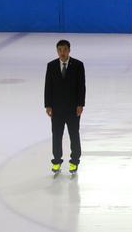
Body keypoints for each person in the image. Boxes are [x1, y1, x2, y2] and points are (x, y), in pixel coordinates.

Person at [44, 39, 86, 175]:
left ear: (69, 50)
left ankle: (74, 161)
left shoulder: (78, 65)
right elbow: (48, 86)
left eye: (65, 50)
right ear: (57, 51)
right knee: (56, 135)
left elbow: (81, 86)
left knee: (74, 134)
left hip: (73, 108)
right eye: (60, 50)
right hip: (56, 109)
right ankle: (56, 161)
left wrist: (80, 104)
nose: (62, 53)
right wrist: (48, 105)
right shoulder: (51, 66)